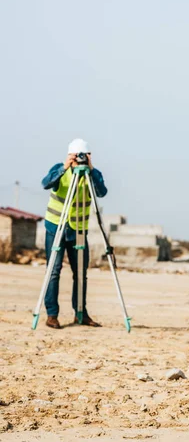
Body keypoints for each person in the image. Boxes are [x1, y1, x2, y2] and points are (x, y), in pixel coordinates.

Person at [41, 138, 108, 329]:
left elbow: (102, 192)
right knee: (53, 272)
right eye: (76, 155)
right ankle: (52, 314)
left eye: (83, 155)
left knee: (80, 273)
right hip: (56, 227)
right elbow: (45, 183)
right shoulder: (59, 169)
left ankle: (81, 313)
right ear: (70, 154)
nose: (79, 159)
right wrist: (64, 166)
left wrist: (92, 170)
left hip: (78, 230)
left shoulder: (92, 174)